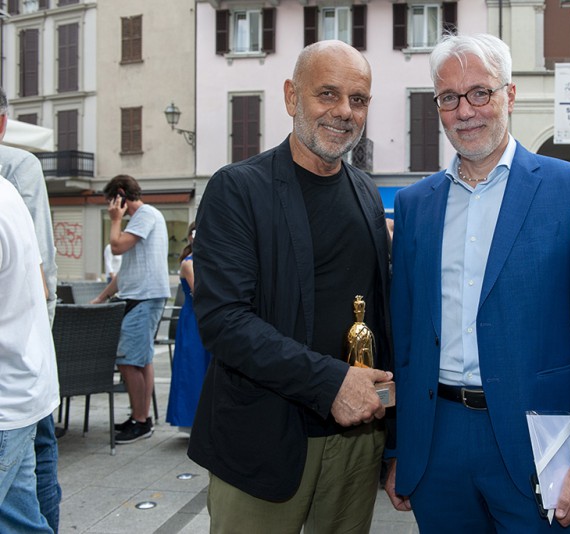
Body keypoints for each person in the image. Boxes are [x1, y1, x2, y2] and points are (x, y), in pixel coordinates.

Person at [385, 33, 570, 531]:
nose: (465, 110)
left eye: (480, 92)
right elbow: (404, 341)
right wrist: (397, 449)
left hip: (537, 445)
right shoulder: (416, 205)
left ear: (509, 95)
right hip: (437, 446)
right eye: (449, 98)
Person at [187, 40, 393, 533]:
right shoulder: (237, 189)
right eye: (327, 94)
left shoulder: (366, 190)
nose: (344, 111)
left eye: (358, 99)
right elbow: (223, 322)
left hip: (355, 444)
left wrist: (393, 439)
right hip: (261, 441)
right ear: (290, 97)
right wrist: (329, 384)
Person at [0, 86, 62, 532]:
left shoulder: (16, 172)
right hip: (27, 377)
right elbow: (42, 279)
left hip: (9, 391)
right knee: (23, 512)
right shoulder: (11, 185)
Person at [91, 175, 170, 444]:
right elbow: (124, 273)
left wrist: (114, 219)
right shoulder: (143, 219)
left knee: (127, 361)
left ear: (121, 195)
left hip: (144, 298)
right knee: (142, 360)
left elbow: (116, 246)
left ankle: (140, 421)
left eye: (112, 201)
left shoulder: (145, 214)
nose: (112, 208)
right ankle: (141, 417)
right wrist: (101, 297)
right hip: (143, 297)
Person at [166, 222, 211, 434]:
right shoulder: (189, 263)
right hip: (194, 320)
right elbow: (200, 291)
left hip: (205, 317)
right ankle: (191, 420)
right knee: (192, 367)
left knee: (204, 367)